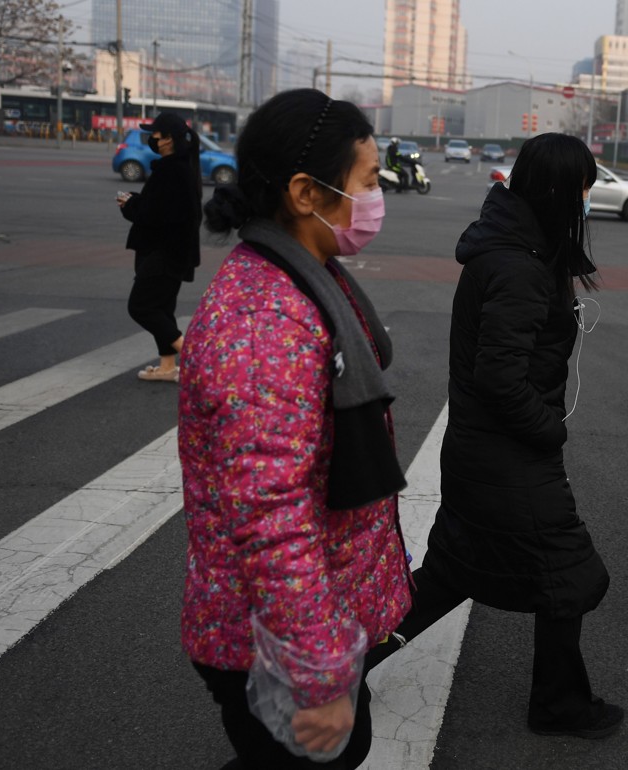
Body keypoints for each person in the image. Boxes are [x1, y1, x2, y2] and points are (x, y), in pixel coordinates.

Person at [181, 89, 411, 768]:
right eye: (368, 181)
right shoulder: (262, 324)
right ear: (307, 192)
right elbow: (271, 514)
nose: (377, 197)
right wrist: (316, 678)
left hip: (318, 614)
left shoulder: (306, 275)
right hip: (269, 638)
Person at [370, 132, 623, 739]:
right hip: (507, 460)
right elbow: (500, 376)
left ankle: (343, 667)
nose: (588, 199)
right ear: (563, 191)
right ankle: (559, 707)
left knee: (452, 575)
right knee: (571, 576)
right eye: (585, 187)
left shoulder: (519, 247)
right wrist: (547, 432)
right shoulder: (517, 265)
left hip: (481, 454)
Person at [118, 110, 202, 382]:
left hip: (163, 253)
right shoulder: (182, 168)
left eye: (154, 133)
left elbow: (153, 215)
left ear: (168, 140)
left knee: (141, 307)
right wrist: (138, 201)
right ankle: (168, 367)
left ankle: (194, 358)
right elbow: (165, 208)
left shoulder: (171, 170)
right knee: (162, 310)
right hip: (174, 253)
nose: (150, 137)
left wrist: (130, 205)